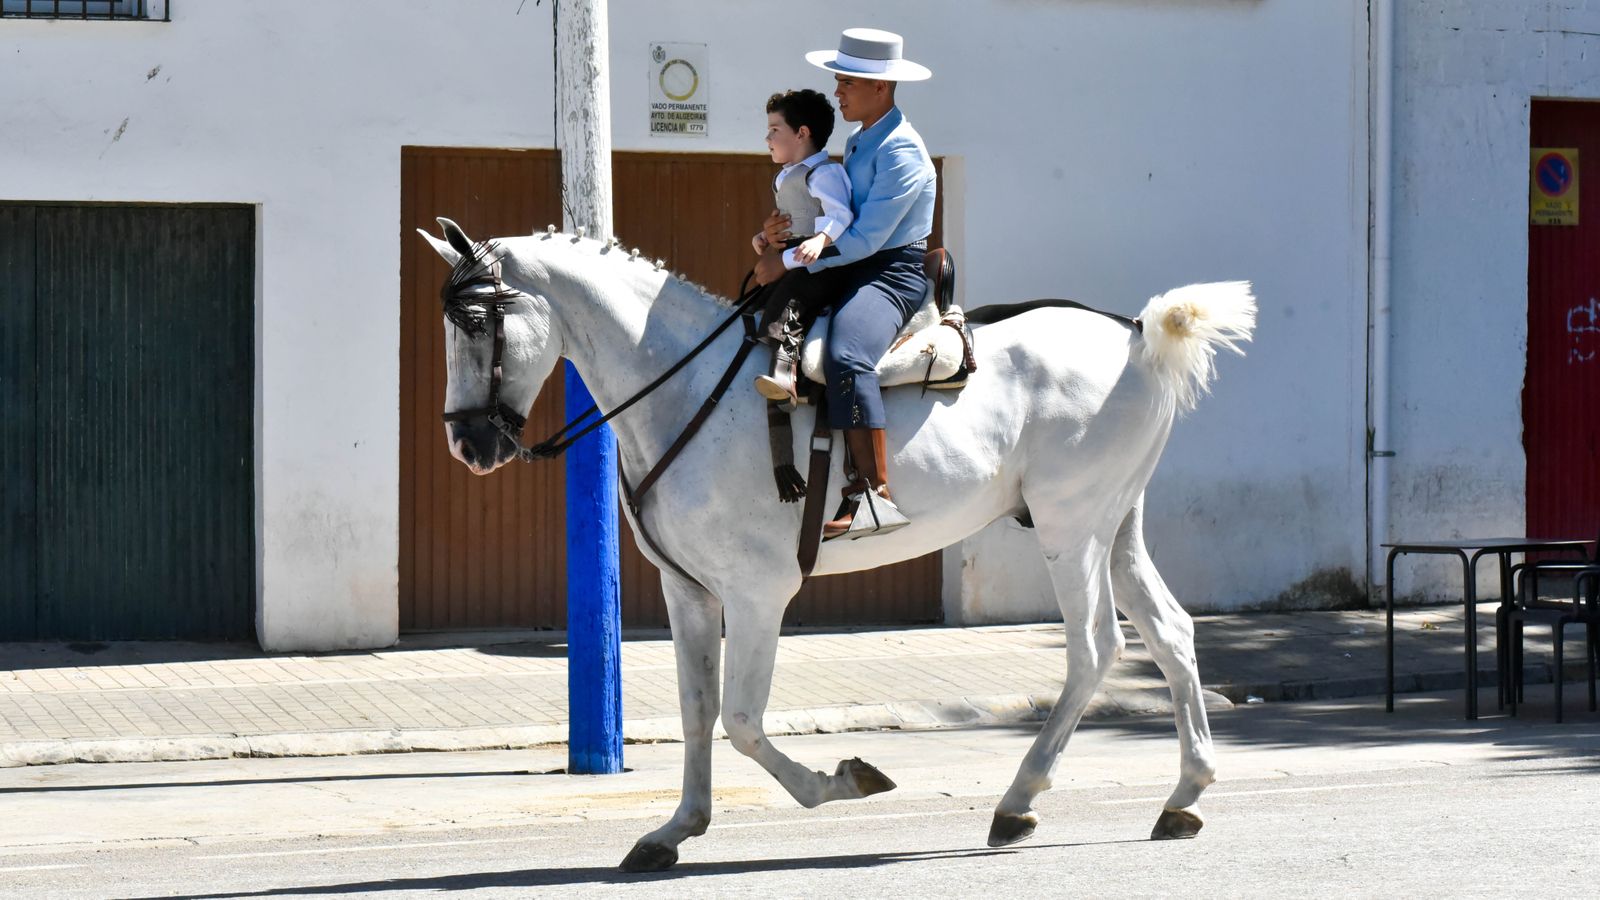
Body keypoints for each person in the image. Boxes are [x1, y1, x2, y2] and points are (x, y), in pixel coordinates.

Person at [753, 28, 935, 541]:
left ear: (880, 87)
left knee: (848, 353)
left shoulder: (902, 153)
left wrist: (788, 262)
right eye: (837, 82)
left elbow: (865, 240)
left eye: (846, 83)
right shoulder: (861, 139)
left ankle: (874, 494)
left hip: (890, 271)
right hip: (848, 263)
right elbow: (830, 218)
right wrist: (778, 234)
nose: (838, 93)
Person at [750, 89, 853, 408]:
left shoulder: (825, 173)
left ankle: (785, 371)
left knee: (790, 302)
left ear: (802, 133)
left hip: (819, 262)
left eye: (774, 129)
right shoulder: (787, 176)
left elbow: (840, 215)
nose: (767, 137)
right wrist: (764, 237)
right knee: (761, 298)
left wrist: (821, 240)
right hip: (794, 254)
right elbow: (793, 220)